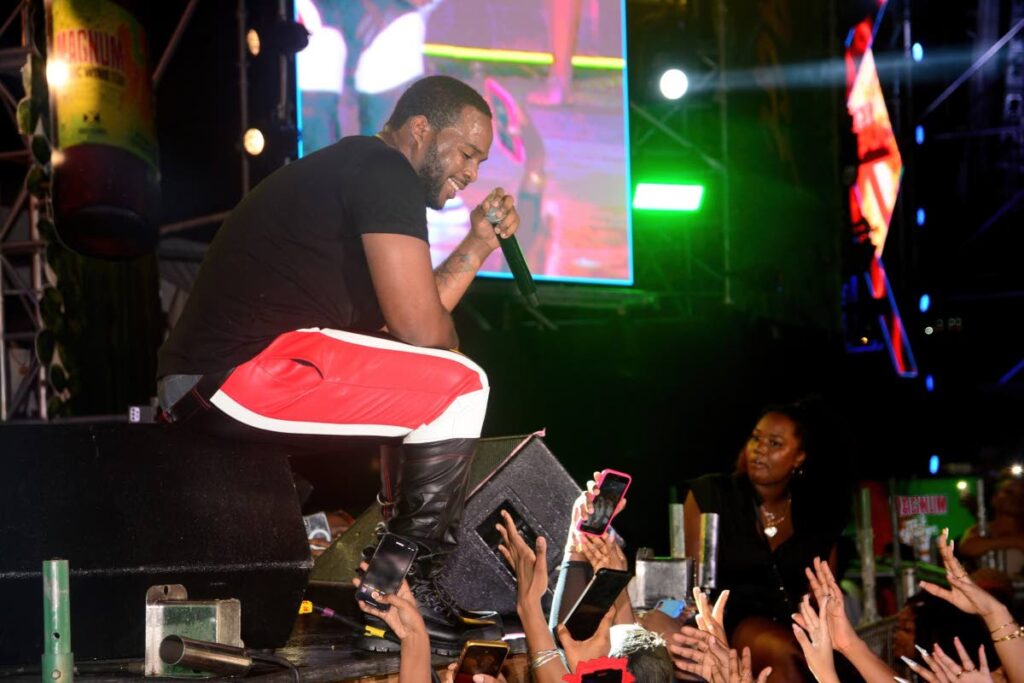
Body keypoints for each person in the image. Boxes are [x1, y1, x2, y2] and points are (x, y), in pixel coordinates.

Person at [156, 75, 519, 653]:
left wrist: (476, 245)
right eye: (467, 153)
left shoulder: (355, 171)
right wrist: (440, 346)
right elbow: (422, 330)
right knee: (461, 383)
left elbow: (408, 328)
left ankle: (386, 590)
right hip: (236, 375)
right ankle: (400, 591)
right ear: (421, 131)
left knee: (435, 386)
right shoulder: (385, 171)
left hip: (211, 380)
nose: (473, 173)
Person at [682, 399, 851, 683]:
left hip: (795, 627)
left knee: (827, 660)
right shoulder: (711, 494)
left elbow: (823, 596)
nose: (760, 449)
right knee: (785, 653)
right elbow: (690, 581)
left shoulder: (816, 515)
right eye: (756, 438)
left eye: (775, 443)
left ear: (799, 457)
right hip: (730, 620)